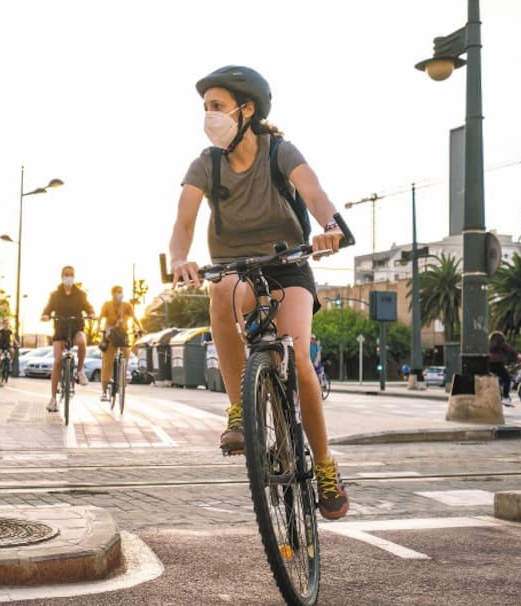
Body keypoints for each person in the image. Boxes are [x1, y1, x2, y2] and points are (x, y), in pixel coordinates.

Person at [167, 65, 349, 520]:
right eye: (205, 107)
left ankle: (325, 466)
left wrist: (329, 227)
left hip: (288, 267)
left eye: (217, 106)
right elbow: (183, 222)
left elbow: (314, 192)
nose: (209, 115)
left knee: (299, 358)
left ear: (246, 110)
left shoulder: (279, 152)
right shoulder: (205, 165)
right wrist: (178, 258)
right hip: (234, 268)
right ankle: (237, 414)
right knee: (221, 294)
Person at [40, 266, 95, 412]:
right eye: (66, 274)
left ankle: (80, 371)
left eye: (71, 274)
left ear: (74, 276)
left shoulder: (80, 294)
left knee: (82, 341)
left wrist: (91, 313)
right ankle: (53, 399)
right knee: (57, 361)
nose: (68, 277)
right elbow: (48, 308)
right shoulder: (55, 295)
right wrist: (45, 315)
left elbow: (88, 307)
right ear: (61, 276)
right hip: (60, 330)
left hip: (76, 327)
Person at [98, 285, 143, 401]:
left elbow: (134, 317)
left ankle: (122, 373)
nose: (120, 294)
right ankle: (104, 392)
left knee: (126, 353)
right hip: (110, 334)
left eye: (121, 292)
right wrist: (99, 328)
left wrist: (140, 327)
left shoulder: (126, 305)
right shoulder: (107, 305)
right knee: (107, 362)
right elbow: (100, 317)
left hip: (122, 333)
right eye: (118, 292)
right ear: (112, 293)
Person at [488, 331, 521, 407]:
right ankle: (506, 398)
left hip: (488, 365)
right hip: (498, 364)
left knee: (499, 379)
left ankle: (499, 394)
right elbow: (515, 353)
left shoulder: (488, 344)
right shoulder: (502, 344)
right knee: (507, 379)